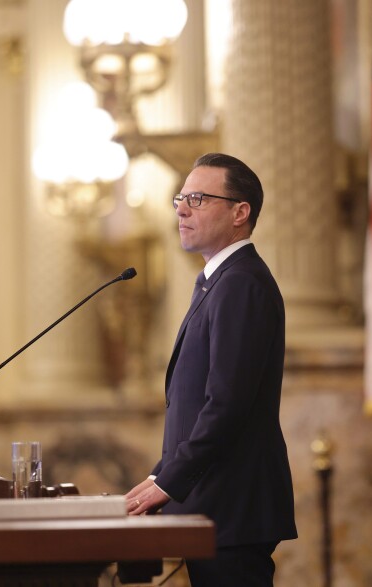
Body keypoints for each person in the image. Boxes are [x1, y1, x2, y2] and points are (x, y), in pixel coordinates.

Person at [125, 153, 297, 586]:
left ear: (241, 212)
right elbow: (194, 404)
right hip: (214, 502)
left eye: (198, 199)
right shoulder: (218, 281)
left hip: (231, 506)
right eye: (182, 198)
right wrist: (160, 475)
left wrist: (170, 482)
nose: (181, 208)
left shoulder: (241, 283)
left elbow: (226, 404)